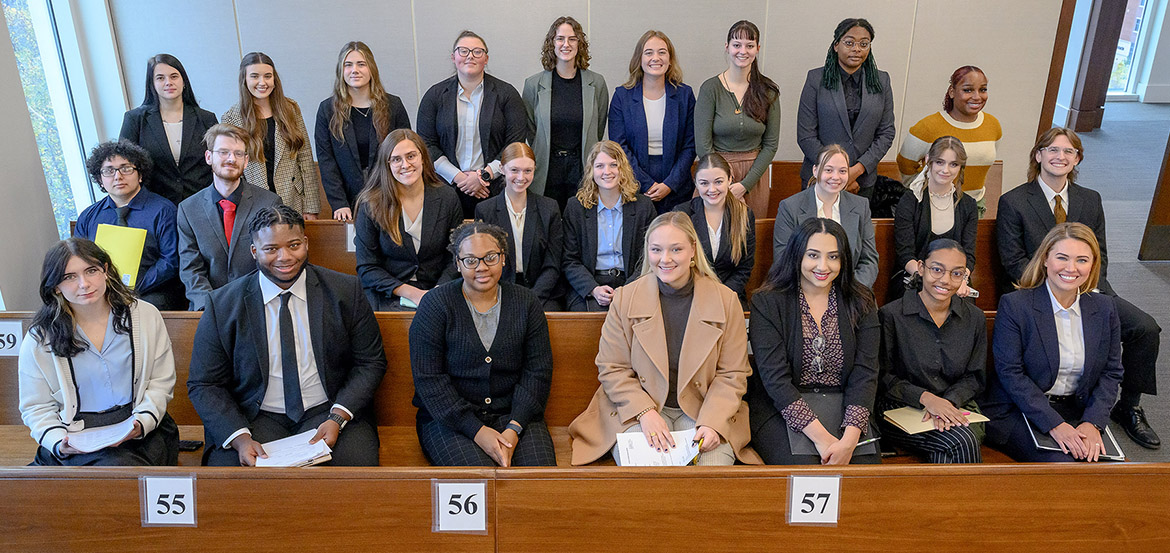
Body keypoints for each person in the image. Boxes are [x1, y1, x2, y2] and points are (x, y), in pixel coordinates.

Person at [997, 128, 1161, 450]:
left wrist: (1089, 289)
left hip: (1091, 289)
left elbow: (1100, 251)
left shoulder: (1090, 198)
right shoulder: (1014, 201)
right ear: (1039, 155)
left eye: (1069, 152)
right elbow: (1013, 259)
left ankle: (1129, 406)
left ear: (1077, 159)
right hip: (1039, 288)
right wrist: (1055, 285)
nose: (1061, 157)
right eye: (1053, 150)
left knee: (1146, 328)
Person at [188, 205, 386, 466]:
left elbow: (370, 362)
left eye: (294, 245)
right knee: (236, 477)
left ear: (305, 243)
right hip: (254, 417)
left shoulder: (345, 291)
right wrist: (240, 437)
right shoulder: (222, 304)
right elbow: (204, 384)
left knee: (354, 469)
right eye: (271, 249)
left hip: (328, 411)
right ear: (254, 251)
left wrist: (338, 416)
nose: (285, 257)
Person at [569, 212, 760, 466]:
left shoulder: (726, 301)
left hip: (703, 408)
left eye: (676, 249)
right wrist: (645, 412)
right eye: (656, 249)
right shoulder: (625, 298)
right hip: (637, 407)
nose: (665, 259)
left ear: (693, 250)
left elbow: (733, 374)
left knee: (709, 472)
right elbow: (611, 367)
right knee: (648, 475)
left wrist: (713, 422)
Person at [18, 238, 179, 466]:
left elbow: (160, 382)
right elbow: (36, 406)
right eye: (69, 277)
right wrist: (59, 442)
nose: (84, 284)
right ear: (55, 286)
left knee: (119, 470)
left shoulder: (145, 315)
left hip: (138, 429)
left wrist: (142, 422)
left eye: (91, 271)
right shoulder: (40, 337)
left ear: (105, 271)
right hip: (74, 436)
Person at [410, 222, 556, 466]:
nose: (482, 267)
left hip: (514, 415)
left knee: (538, 483)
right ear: (457, 263)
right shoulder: (435, 305)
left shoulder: (526, 302)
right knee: (479, 480)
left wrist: (514, 428)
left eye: (490, 257)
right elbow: (430, 381)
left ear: (503, 259)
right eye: (470, 260)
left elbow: (537, 372)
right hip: (449, 419)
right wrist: (477, 431)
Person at [983, 223, 1123, 462]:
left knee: (1107, 471)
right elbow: (1011, 374)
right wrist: (1054, 424)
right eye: (1062, 258)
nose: (1071, 268)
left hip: (1077, 412)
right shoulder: (1016, 306)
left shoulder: (1104, 308)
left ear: (1093, 265)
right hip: (1020, 411)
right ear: (1046, 259)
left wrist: (1092, 423)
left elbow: (1111, 373)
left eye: (1082, 260)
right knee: (1068, 468)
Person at [748, 217, 880, 465]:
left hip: (845, 406)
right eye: (813, 255)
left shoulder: (862, 301)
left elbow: (866, 373)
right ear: (797, 256)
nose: (823, 266)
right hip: (782, 407)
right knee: (807, 468)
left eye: (833, 256)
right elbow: (775, 380)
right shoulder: (768, 302)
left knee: (865, 474)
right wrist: (823, 440)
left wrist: (849, 440)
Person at [877, 239, 987, 463]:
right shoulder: (891, 315)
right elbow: (884, 377)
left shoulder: (974, 318)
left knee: (955, 441)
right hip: (901, 407)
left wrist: (947, 403)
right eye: (937, 270)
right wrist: (927, 399)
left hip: (958, 406)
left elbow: (975, 377)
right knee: (961, 441)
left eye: (956, 274)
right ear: (920, 268)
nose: (945, 280)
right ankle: (967, 500)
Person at [417, 30, 528, 219]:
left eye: (477, 51)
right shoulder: (434, 96)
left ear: (486, 59)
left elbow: (515, 143)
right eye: (463, 51)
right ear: (453, 57)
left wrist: (483, 176)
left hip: (493, 189)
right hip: (445, 189)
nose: (470, 56)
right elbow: (426, 144)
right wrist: (459, 178)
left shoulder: (507, 94)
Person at [354, 129, 463, 311]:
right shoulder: (370, 204)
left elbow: (456, 255)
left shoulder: (447, 197)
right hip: (388, 293)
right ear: (387, 164)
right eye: (396, 159)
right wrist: (413, 294)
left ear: (422, 157)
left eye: (411, 156)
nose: (405, 165)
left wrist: (436, 291)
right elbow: (367, 267)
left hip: (438, 289)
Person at [176, 124, 282, 311]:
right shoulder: (188, 210)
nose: (231, 159)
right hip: (208, 306)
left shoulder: (269, 203)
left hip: (259, 303)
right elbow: (191, 269)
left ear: (246, 161)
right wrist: (209, 306)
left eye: (238, 154)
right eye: (223, 152)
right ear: (209, 157)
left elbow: (273, 261)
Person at [75, 140, 185, 310]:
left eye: (126, 169)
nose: (118, 176)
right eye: (109, 171)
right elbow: (79, 260)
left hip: (151, 292)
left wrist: (132, 288)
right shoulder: (89, 216)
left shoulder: (163, 211)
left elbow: (170, 261)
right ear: (100, 180)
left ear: (140, 175)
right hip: (101, 294)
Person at [796, 18, 895, 199]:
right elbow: (806, 135)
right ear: (836, 45)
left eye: (864, 44)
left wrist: (855, 172)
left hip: (862, 180)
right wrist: (837, 173)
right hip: (819, 178)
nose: (856, 49)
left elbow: (886, 133)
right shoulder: (815, 79)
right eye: (849, 43)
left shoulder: (882, 81)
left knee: (854, 228)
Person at [315, 41, 412, 223]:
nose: (355, 70)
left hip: (391, 196)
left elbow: (406, 153)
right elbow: (326, 161)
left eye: (361, 64)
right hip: (349, 202)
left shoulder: (393, 106)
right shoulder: (327, 110)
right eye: (348, 65)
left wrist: (402, 194)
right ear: (341, 70)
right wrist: (339, 203)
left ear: (371, 69)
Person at [522, 16, 609, 212]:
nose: (566, 44)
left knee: (581, 224)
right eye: (560, 38)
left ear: (580, 43)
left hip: (582, 166)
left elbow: (599, 126)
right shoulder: (533, 85)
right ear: (552, 43)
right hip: (547, 168)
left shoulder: (596, 83)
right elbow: (531, 129)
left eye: (572, 39)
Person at [694, 20, 781, 217]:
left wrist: (745, 185)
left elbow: (771, 145)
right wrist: (722, 181)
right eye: (737, 45)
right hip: (715, 175)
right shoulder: (710, 89)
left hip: (755, 176)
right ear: (727, 47)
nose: (743, 51)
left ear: (757, 49)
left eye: (750, 45)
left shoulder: (769, 91)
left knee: (750, 237)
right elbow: (703, 145)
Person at [222, 52, 320, 217]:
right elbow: (232, 168)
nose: (262, 82)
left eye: (268, 76)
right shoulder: (231, 118)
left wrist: (311, 207)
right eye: (255, 76)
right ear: (244, 80)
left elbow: (305, 158)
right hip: (253, 203)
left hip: (292, 199)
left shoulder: (290, 109)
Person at [562, 140, 657, 311]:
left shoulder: (643, 206)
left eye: (613, 165)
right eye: (600, 166)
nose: (607, 172)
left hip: (632, 283)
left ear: (623, 169)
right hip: (590, 284)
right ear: (591, 171)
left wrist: (626, 290)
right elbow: (570, 260)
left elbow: (648, 257)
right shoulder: (576, 207)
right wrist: (593, 289)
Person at [608, 30, 696, 214]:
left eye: (662, 52)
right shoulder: (622, 96)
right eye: (649, 52)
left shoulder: (684, 95)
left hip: (677, 188)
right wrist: (645, 184)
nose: (656, 57)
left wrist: (669, 184)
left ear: (670, 59)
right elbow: (619, 147)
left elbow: (691, 145)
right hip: (635, 187)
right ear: (639, 59)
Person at [896, 65, 1001, 216]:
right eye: (968, 90)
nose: (977, 96)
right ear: (952, 92)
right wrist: (923, 190)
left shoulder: (993, 125)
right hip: (933, 206)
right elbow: (905, 164)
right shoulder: (927, 126)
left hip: (974, 208)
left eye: (983, 89)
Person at [119, 54, 218, 207]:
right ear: (151, 84)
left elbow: (218, 161)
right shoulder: (135, 119)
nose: (168, 83)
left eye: (174, 76)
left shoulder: (206, 118)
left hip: (203, 204)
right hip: (156, 207)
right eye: (160, 78)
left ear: (183, 81)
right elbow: (124, 166)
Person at [474, 142, 565, 310]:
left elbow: (553, 264)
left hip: (543, 293)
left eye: (527, 171)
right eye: (514, 170)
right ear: (501, 169)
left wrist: (532, 298)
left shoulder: (549, 208)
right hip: (499, 291)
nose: (521, 177)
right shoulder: (485, 210)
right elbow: (485, 261)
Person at [774, 144, 878, 288]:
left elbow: (869, 260)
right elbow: (783, 260)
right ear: (815, 171)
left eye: (842, 171)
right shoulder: (790, 207)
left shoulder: (861, 206)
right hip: (804, 290)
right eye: (829, 170)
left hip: (850, 292)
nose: (836, 177)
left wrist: (850, 292)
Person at [891, 136, 977, 301]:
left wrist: (959, 279)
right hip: (914, 278)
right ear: (929, 160)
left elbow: (969, 255)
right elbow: (905, 254)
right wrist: (932, 280)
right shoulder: (910, 200)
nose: (946, 170)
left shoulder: (968, 205)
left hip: (954, 282)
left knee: (966, 311)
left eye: (953, 164)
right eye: (940, 162)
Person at [673, 153, 755, 305]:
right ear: (696, 183)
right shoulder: (682, 214)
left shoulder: (744, 214)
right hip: (690, 297)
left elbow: (744, 268)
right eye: (704, 183)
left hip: (730, 295)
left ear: (730, 179)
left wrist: (722, 295)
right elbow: (676, 264)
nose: (712, 189)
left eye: (718, 182)